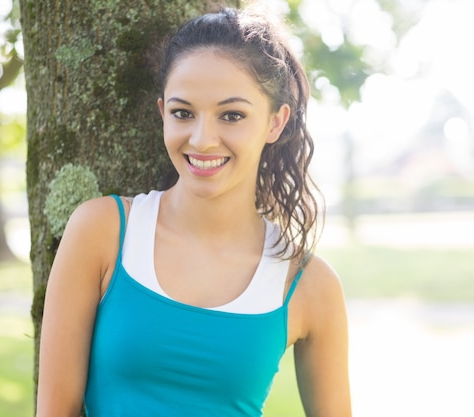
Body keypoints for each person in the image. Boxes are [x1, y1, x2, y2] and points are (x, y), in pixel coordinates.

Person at [36, 5, 351, 417]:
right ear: (162, 111)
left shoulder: (308, 284)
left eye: (232, 115)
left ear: (276, 123)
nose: (202, 140)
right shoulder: (102, 231)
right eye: (183, 113)